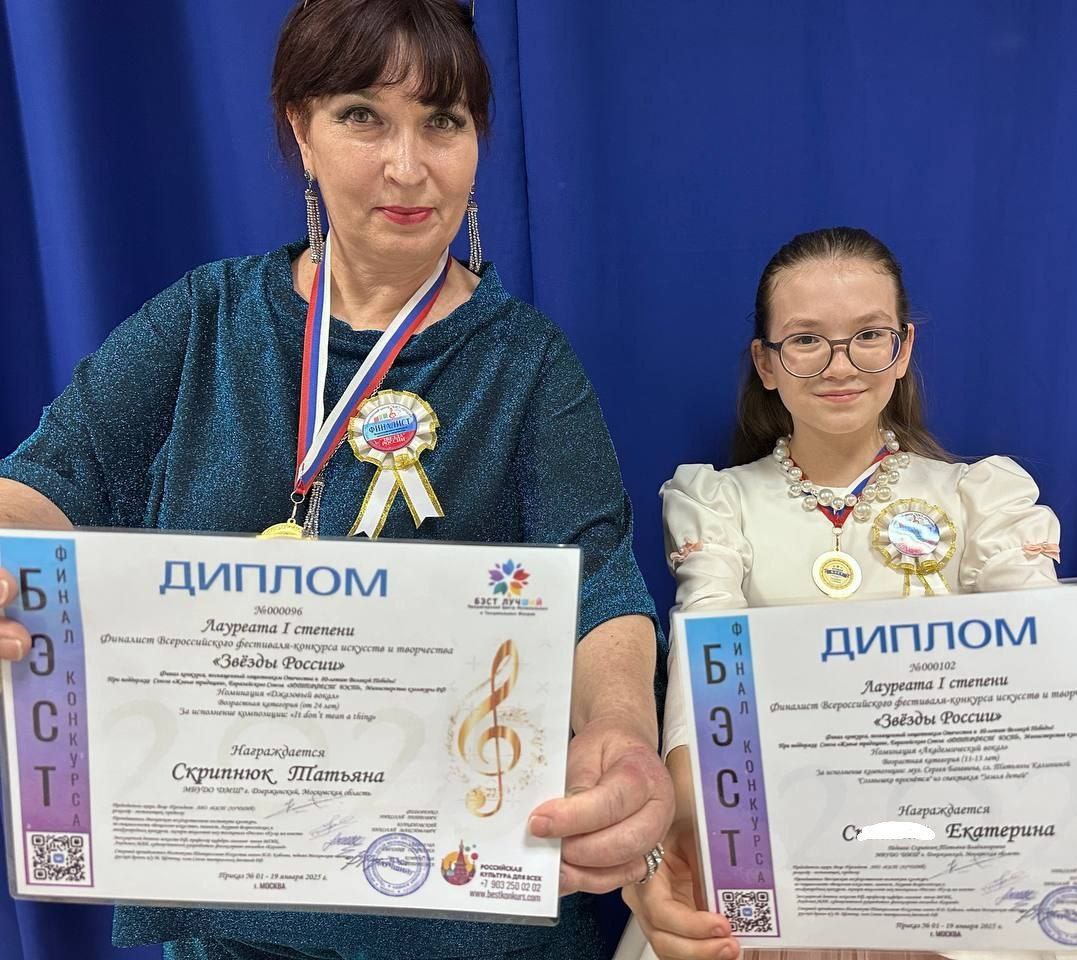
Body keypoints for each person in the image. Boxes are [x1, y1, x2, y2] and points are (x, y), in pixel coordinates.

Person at [0, 2, 672, 958]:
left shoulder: (526, 363)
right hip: (233, 917)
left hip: (467, 923)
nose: (408, 165)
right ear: (300, 130)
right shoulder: (205, 320)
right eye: (363, 115)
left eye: (443, 120)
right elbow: (45, 484)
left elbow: (597, 583)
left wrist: (622, 730)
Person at [617, 226, 1077, 960]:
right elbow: (706, 675)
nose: (841, 365)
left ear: (903, 349)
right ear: (767, 363)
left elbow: (1059, 671)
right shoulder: (718, 505)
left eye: (869, 335)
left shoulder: (980, 499)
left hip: (961, 867)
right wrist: (690, 825)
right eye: (805, 340)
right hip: (783, 856)